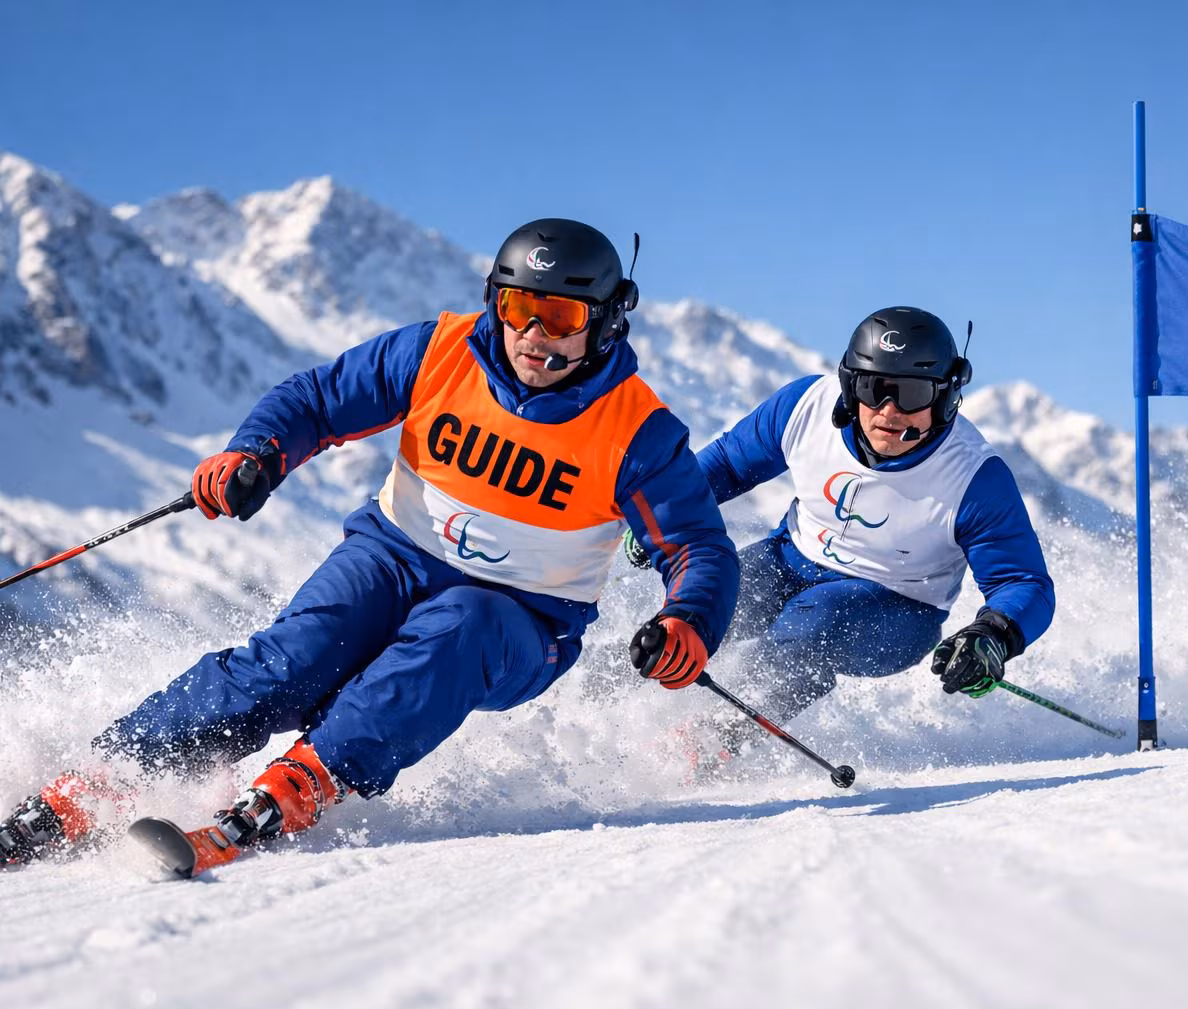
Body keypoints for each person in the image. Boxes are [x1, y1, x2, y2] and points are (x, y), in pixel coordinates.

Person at [1, 218, 738, 872]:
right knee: (291, 661)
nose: (534, 334)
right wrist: (255, 453)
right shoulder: (442, 350)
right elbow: (317, 400)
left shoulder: (637, 431)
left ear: (606, 322)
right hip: (391, 558)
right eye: (517, 306)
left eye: (561, 313)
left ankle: (297, 786)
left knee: (461, 627)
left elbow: (698, 548)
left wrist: (689, 621)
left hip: (524, 620)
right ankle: (93, 782)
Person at [634, 306, 1054, 761]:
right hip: (789, 560)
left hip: (898, 608)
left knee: (814, 620)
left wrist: (991, 636)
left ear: (946, 396)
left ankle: (710, 743)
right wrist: (663, 516)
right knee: (708, 596)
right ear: (850, 385)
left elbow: (1022, 582)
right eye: (873, 389)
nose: (889, 412)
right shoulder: (805, 407)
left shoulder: (974, 477)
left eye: (911, 394)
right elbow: (726, 465)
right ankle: (600, 690)